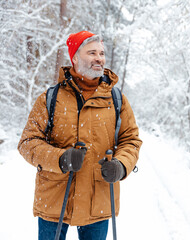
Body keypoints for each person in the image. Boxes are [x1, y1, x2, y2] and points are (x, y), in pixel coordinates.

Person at [18, 31, 142, 240]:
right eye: (91, 52)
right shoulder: (51, 97)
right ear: (74, 58)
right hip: (55, 200)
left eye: (101, 53)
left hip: (98, 201)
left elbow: (131, 140)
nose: (99, 58)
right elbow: (27, 143)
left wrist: (121, 165)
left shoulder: (116, 99)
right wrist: (60, 159)